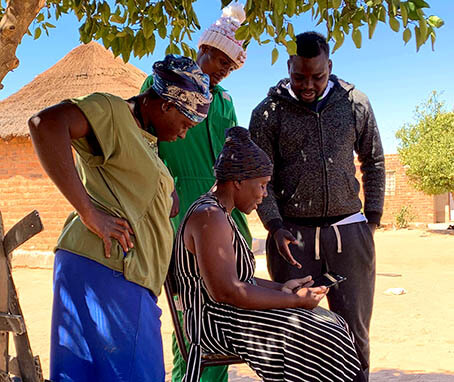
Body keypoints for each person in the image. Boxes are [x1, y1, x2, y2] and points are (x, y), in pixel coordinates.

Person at [28, 55, 211, 382]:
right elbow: (45, 125)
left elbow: (150, 196)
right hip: (110, 270)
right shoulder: (113, 111)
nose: (184, 135)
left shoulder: (147, 140)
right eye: (185, 124)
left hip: (119, 275)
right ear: (166, 105)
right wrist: (89, 213)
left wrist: (167, 197)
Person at [173, 126, 366, 382]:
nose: (264, 195)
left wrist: (282, 289)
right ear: (238, 181)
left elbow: (239, 280)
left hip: (229, 312)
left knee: (333, 324)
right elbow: (226, 291)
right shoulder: (209, 217)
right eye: (262, 186)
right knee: (316, 333)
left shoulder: (221, 214)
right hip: (215, 321)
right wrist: (296, 301)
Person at [249, 31, 385, 378]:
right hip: (292, 239)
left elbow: (374, 161)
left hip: (349, 234)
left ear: (330, 67)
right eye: (299, 77)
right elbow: (261, 177)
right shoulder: (268, 113)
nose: (307, 85)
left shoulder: (356, 104)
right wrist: (274, 226)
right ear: (288, 66)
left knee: (354, 334)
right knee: (294, 336)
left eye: (317, 77)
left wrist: (371, 220)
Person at [141, 4, 250, 382]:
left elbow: (233, 156)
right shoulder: (164, 84)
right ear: (200, 49)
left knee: (222, 312)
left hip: (222, 213)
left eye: (228, 64)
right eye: (217, 57)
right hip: (175, 211)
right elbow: (146, 143)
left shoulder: (225, 103)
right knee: (186, 311)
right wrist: (163, 191)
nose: (221, 67)